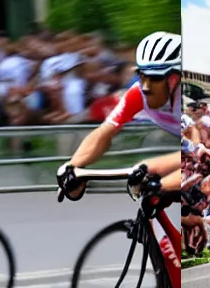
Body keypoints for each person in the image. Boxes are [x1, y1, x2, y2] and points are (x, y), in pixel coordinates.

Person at [59, 30, 185, 196]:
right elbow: (104, 132)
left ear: (175, 79)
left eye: (155, 78)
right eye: (142, 76)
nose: (146, 86)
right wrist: (73, 166)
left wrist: (153, 170)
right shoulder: (137, 94)